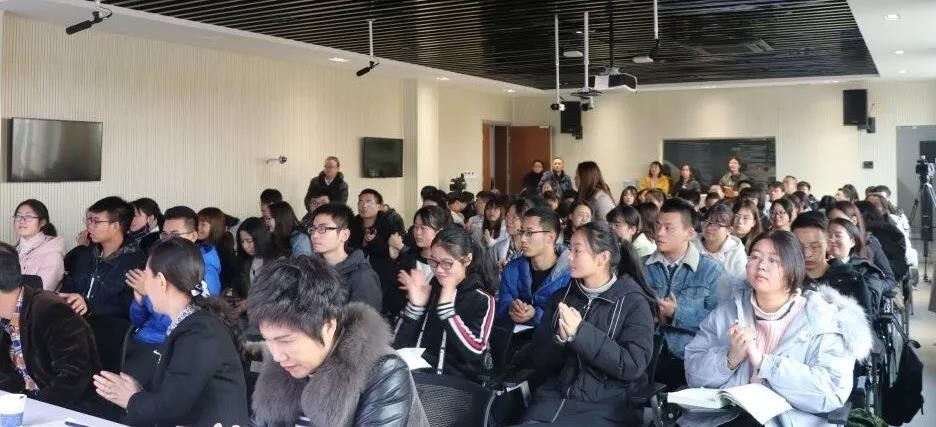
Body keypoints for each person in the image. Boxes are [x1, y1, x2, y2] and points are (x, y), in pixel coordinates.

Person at [682, 231, 872, 427]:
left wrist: (766, 364)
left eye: (773, 260)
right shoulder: (727, 311)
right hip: (728, 419)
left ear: (793, 269)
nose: (761, 266)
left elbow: (832, 392)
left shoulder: (822, 318)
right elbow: (693, 374)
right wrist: (729, 359)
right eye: (755, 257)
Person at [248, 256, 428, 427]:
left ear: (328, 327)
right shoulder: (283, 367)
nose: (277, 356)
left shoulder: (384, 371)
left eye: (286, 341)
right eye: (268, 340)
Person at [93, 238, 249, 426]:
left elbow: (172, 407)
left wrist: (131, 398)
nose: (144, 284)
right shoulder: (194, 324)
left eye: (146, 275)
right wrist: (138, 394)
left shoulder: (200, 332)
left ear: (161, 281)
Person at [524, 222, 655, 426]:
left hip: (609, 405)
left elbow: (632, 365)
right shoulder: (562, 297)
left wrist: (580, 333)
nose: (569, 256)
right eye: (570, 249)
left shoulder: (632, 302)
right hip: (555, 398)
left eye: (577, 251)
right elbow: (540, 362)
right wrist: (559, 340)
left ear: (602, 258)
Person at [124, 206, 223, 385]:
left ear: (193, 236)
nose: (168, 241)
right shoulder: (159, 263)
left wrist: (148, 294)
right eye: (164, 235)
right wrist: (139, 298)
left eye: (175, 235)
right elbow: (137, 321)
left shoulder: (204, 272)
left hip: (169, 346)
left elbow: (190, 324)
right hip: (141, 341)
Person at [0, 243, 102, 413]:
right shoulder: (5, 317)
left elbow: (74, 378)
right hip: (25, 406)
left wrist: (31, 408)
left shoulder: (52, 310)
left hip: (69, 411)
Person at [394, 226, 498, 383]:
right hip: (419, 377)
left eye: (447, 263)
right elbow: (397, 344)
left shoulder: (481, 299)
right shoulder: (432, 289)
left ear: (467, 260)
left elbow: (476, 351)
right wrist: (415, 307)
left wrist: (447, 311)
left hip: (456, 385)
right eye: (433, 262)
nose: (438, 270)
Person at [643, 198, 725, 390]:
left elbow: (720, 322)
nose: (659, 233)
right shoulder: (641, 266)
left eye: (668, 228)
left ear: (689, 233)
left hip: (688, 360)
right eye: (658, 225)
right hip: (644, 355)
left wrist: (677, 313)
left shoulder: (711, 270)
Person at [60, 196, 146, 373]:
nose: (89, 226)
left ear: (116, 226)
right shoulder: (83, 255)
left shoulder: (136, 261)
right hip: (74, 332)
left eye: (96, 221)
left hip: (110, 339)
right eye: (88, 220)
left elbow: (128, 305)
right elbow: (69, 286)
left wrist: (89, 306)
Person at [497, 207, 570, 327]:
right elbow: (502, 307)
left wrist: (535, 314)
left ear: (550, 237)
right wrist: (511, 309)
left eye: (529, 233)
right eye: (521, 232)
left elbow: (566, 319)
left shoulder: (570, 274)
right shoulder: (512, 269)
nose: (522, 239)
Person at [310, 203, 382, 311]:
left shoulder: (362, 276)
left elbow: (365, 320)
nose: (314, 235)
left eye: (323, 229)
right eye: (313, 229)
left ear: (344, 235)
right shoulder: (312, 268)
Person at [389, 206, 453, 317]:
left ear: (439, 232)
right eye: (416, 227)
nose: (418, 232)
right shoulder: (408, 259)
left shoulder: (447, 265)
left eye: (423, 228)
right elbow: (392, 297)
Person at [351, 189, 406, 314]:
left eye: (368, 202)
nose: (363, 205)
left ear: (379, 206)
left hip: (383, 275)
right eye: (360, 202)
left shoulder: (389, 224)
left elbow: (393, 252)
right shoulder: (353, 223)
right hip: (357, 273)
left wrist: (374, 241)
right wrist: (364, 243)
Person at [826, 218, 887, 315]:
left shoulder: (867, 271)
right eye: (828, 236)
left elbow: (869, 309)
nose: (831, 240)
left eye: (837, 236)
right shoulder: (817, 268)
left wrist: (838, 266)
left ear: (852, 242)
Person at [826, 201, 896, 283]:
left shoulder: (870, 241)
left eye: (839, 221)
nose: (833, 225)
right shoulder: (824, 245)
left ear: (854, 221)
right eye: (830, 220)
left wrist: (872, 286)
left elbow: (889, 278)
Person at [13, 200, 65, 291]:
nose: (21, 220)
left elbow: (41, 292)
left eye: (28, 216)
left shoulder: (52, 255)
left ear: (42, 222)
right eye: (18, 216)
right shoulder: (12, 250)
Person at [694, 203, 747, 280]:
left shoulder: (736, 253)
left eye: (716, 224)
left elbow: (740, 283)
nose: (709, 227)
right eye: (707, 222)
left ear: (729, 230)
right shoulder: (692, 244)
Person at [197, 207, 243, 296]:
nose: (198, 227)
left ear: (215, 226)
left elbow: (230, 274)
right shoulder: (197, 244)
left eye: (203, 224)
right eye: (197, 223)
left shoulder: (223, 246)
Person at [235, 217, 283, 298]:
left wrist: (250, 302)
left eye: (249, 241)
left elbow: (278, 296)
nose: (245, 246)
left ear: (260, 238)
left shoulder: (279, 262)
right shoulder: (246, 260)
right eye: (242, 241)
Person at [492, 197, 532, 268]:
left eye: (514, 217)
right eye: (507, 216)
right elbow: (489, 272)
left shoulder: (536, 248)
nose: (508, 221)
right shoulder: (497, 247)